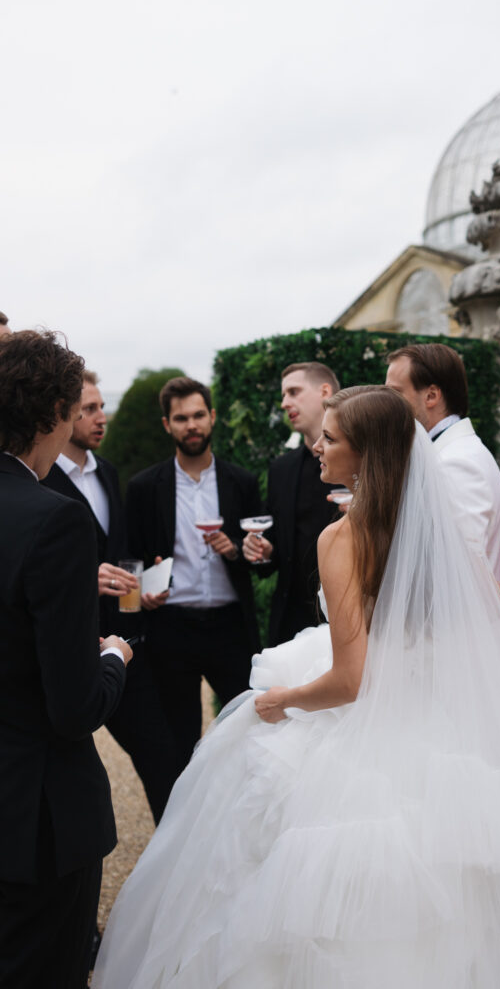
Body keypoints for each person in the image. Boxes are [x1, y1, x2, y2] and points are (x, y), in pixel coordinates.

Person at [95, 385, 500, 989]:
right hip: (435, 723)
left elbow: (352, 680)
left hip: (362, 733)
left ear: (366, 453)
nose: (317, 446)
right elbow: (497, 609)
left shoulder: (343, 537)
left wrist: (280, 700)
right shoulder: (432, 527)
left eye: (330, 438)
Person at [0, 330, 131, 989]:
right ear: (54, 413)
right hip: (35, 825)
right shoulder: (54, 519)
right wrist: (112, 657)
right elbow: (74, 708)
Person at [42, 370, 177, 824]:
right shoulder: (38, 484)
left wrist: (144, 591)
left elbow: (118, 554)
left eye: (102, 407)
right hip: (65, 652)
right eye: (90, 410)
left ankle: (179, 863)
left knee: (162, 761)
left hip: (121, 644)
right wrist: (84, 577)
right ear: (62, 413)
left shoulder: (109, 472)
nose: (103, 418)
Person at [125, 376, 261, 780]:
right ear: (168, 425)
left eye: (199, 415)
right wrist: (137, 599)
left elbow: (263, 559)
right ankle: (184, 832)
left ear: (212, 417)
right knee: (177, 742)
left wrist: (237, 550)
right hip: (171, 629)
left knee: (249, 728)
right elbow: (128, 557)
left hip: (230, 627)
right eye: (181, 418)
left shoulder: (242, 482)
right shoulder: (144, 487)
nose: (192, 425)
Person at [385, 342, 500, 581]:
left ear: (431, 396)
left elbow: (462, 566)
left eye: (395, 393)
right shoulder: (441, 454)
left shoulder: (458, 463)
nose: (387, 404)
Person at [243, 361, 342, 644]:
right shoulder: (281, 469)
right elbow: (273, 553)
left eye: (294, 392)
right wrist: (262, 550)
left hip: (347, 620)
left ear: (325, 391)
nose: (285, 402)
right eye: (284, 395)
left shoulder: (362, 460)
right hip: (291, 625)